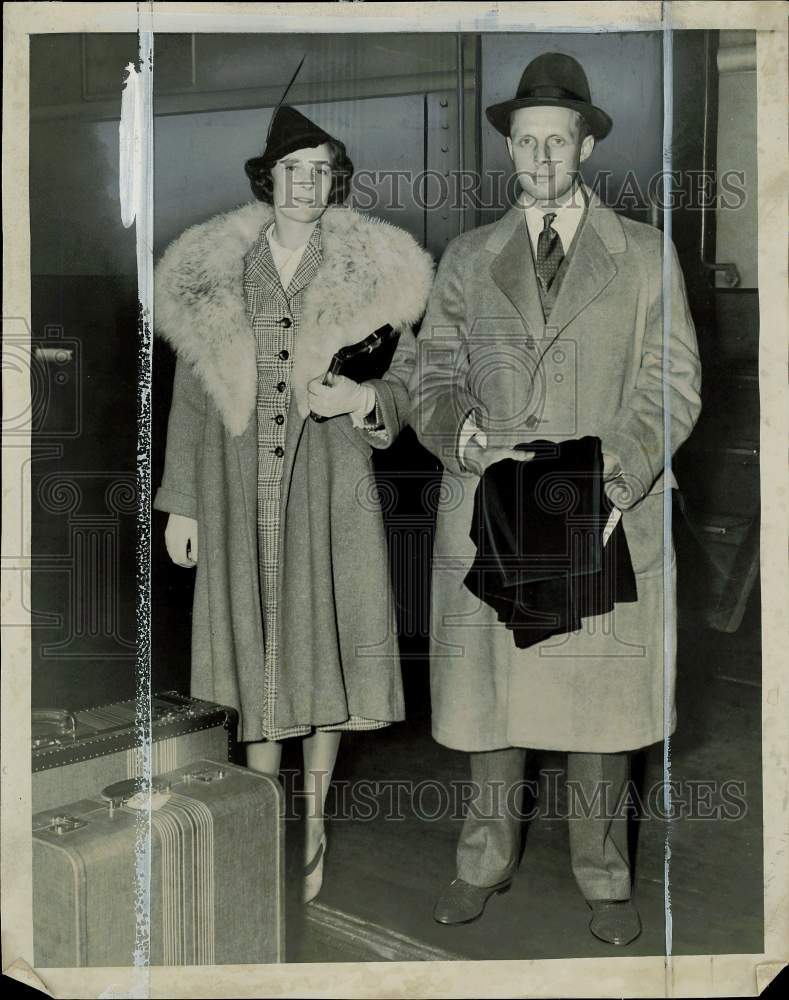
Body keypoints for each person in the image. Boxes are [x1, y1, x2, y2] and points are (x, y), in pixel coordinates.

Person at [409, 52, 702, 944]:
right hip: (495, 505)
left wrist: (616, 471)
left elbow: (671, 380)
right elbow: (433, 373)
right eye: (523, 141)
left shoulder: (645, 255)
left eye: (555, 141)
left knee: (597, 709)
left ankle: (605, 879)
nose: (538, 158)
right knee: (492, 703)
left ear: (583, 147)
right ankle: (479, 863)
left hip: (597, 503)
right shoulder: (467, 257)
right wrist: (455, 432)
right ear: (509, 149)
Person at [153, 102, 433, 903]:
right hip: (237, 489)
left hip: (329, 490)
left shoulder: (373, 273)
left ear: (334, 183)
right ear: (265, 179)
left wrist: (361, 398)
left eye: (322, 171)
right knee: (254, 653)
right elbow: (193, 395)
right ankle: (264, 822)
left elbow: (410, 383)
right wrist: (183, 504)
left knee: (324, 650)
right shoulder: (216, 272)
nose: (308, 185)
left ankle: (313, 825)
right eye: (293, 169)